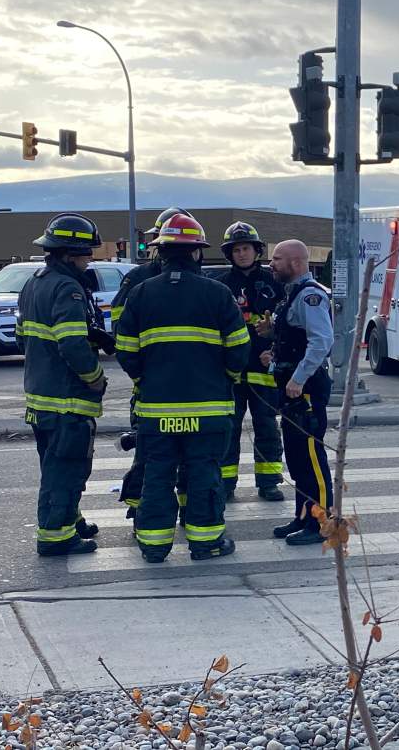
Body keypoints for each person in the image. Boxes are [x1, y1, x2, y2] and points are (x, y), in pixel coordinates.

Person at [114, 213, 250, 563]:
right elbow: (239, 350)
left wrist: (145, 379)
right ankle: (206, 543)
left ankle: (155, 546)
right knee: (204, 471)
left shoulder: (141, 293)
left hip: (157, 410)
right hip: (208, 409)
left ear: (161, 251)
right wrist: (227, 379)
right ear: (197, 253)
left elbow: (125, 350)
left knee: (157, 473)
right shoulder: (218, 294)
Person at [17, 214, 108, 557]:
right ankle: (57, 536)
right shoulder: (68, 288)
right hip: (67, 399)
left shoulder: (35, 281)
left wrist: (94, 333)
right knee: (67, 467)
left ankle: (69, 517)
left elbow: (23, 337)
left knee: (54, 464)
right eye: (86, 254)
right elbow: (71, 345)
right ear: (70, 253)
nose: (89, 261)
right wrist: (95, 378)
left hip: (41, 398)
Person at [114, 207, 192, 519]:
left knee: (189, 456)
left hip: (188, 386)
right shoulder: (137, 279)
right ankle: (137, 505)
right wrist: (140, 372)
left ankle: (191, 510)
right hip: (149, 386)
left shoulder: (197, 279)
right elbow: (121, 331)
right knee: (148, 452)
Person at [262, 239, 334, 545]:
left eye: (276, 259)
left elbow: (321, 341)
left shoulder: (310, 296)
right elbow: (297, 338)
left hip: (305, 390)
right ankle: (304, 516)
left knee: (311, 458)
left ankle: (322, 524)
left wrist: (298, 378)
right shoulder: (291, 294)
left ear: (295, 263)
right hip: (292, 391)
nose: (271, 264)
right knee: (296, 457)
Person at [213, 222, 285, 501]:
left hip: (264, 370)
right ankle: (225, 483)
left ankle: (268, 482)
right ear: (229, 254)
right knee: (227, 429)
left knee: (266, 426)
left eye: (246, 248)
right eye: (236, 250)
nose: (242, 254)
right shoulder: (219, 286)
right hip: (228, 372)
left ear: (257, 251)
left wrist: (276, 352)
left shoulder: (274, 283)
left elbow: (288, 324)